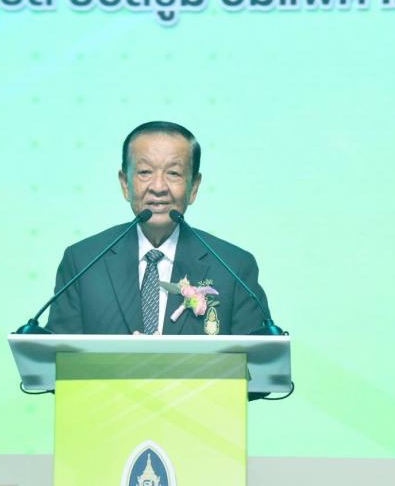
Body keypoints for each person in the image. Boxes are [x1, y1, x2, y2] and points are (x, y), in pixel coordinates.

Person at [46, 121, 271, 335]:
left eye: (173, 173)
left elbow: (258, 357)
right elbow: (57, 356)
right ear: (125, 184)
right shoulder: (83, 262)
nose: (158, 187)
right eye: (145, 172)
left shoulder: (233, 267)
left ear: (194, 187)